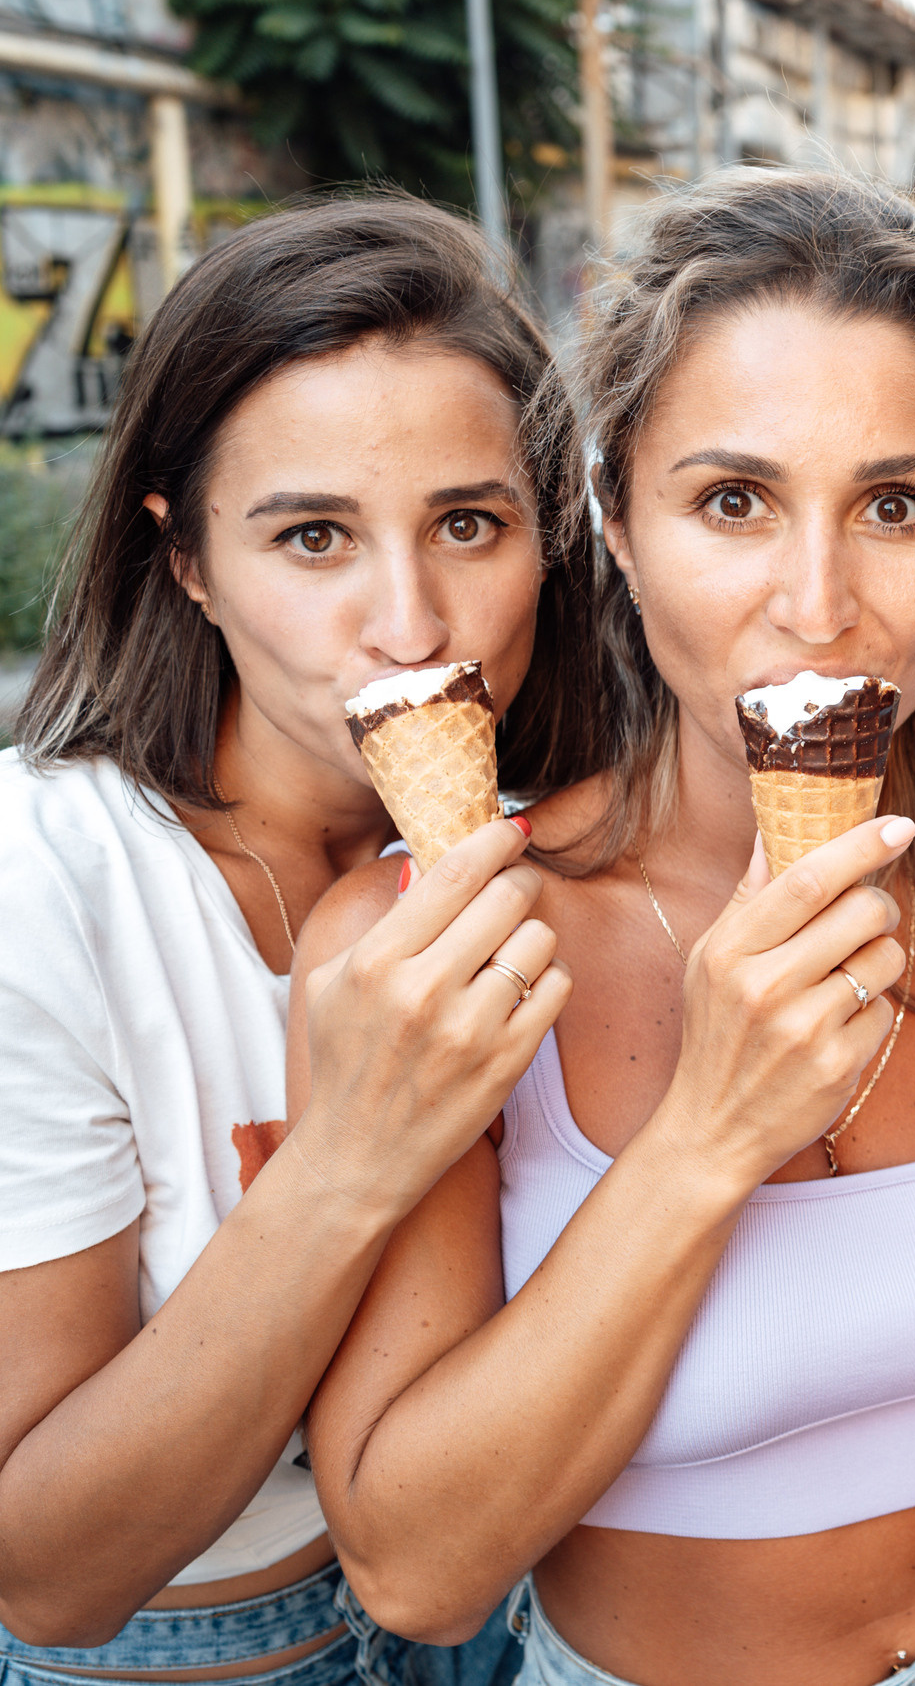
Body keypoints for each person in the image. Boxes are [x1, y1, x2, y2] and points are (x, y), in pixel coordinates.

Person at [297, 167, 915, 1686]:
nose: (818, 600)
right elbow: (418, 1571)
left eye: (896, 506)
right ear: (614, 522)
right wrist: (712, 1131)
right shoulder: (435, 941)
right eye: (734, 501)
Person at [0, 195, 605, 1682]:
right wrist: (355, 1153)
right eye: (313, 538)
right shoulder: (49, 878)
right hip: (205, 1645)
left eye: (469, 524)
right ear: (188, 560)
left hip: (543, 1608)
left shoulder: (594, 838)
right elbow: (49, 1575)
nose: (409, 624)